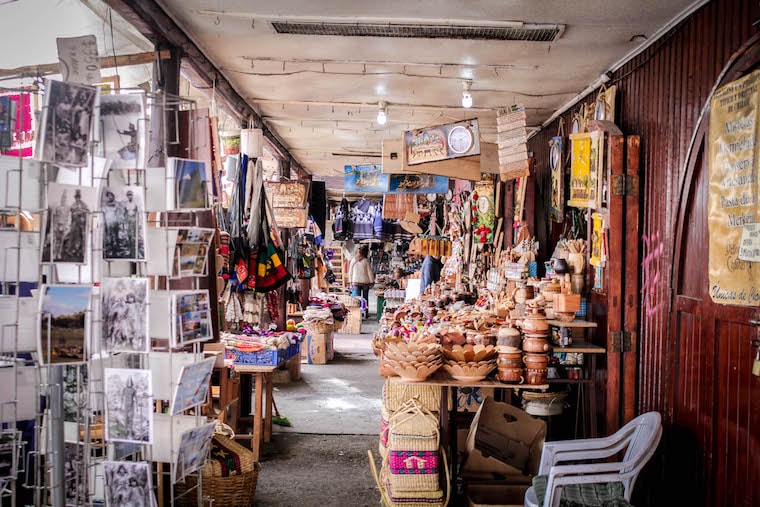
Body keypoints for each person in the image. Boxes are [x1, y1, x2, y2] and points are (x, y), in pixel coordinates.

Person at [348, 245, 374, 318]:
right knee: (365, 298)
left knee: (357, 299)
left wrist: (350, 281)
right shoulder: (366, 261)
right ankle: (365, 313)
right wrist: (372, 282)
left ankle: (358, 313)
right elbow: (369, 272)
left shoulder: (353, 260)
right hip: (365, 282)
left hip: (355, 282)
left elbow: (350, 272)